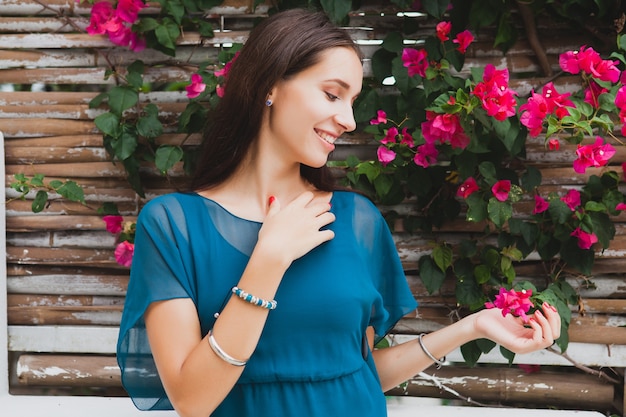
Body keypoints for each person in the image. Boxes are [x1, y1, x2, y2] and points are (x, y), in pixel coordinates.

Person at [116, 8, 561, 417]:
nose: (348, 120)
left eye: (352, 102)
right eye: (333, 95)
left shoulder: (356, 221)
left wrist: (471, 328)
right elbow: (192, 400)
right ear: (269, 85)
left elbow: (358, 373)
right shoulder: (174, 225)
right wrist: (267, 262)